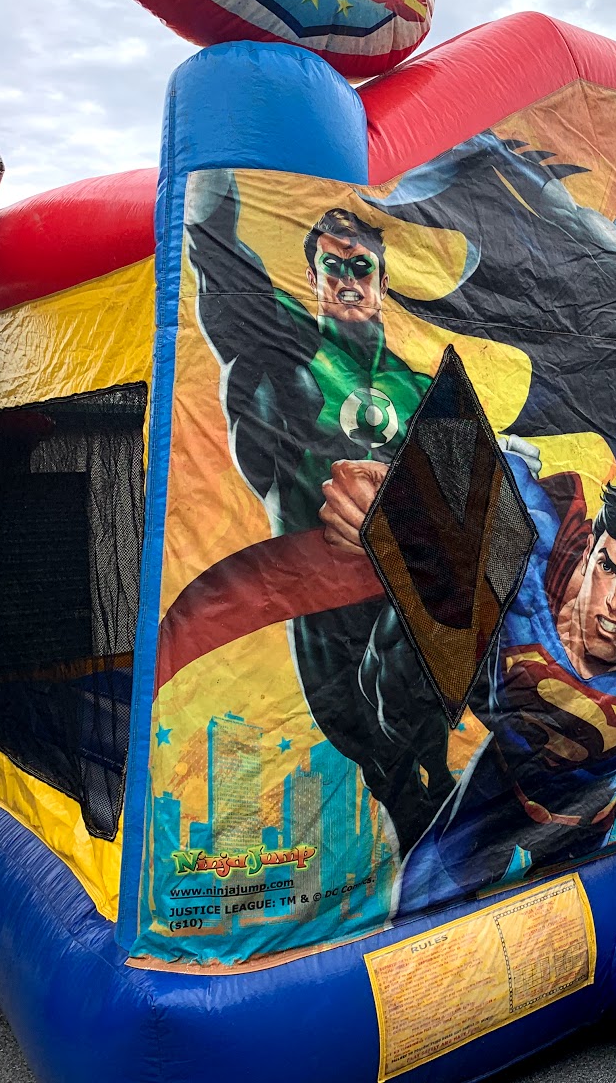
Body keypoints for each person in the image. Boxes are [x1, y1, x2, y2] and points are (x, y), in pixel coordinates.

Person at [320, 456, 616, 912]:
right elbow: (483, 472)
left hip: (589, 819)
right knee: (417, 899)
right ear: (587, 556)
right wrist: (397, 490)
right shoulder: (532, 568)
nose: (614, 600)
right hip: (498, 789)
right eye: (608, 567)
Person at [186, 171, 454, 853]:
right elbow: (226, 274)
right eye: (333, 268)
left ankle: (441, 804)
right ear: (313, 279)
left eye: (361, 268)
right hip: (321, 596)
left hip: (404, 601)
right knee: (380, 758)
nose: (348, 280)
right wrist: (215, 168)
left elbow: (463, 497)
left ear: (383, 281)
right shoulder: (290, 353)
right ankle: (414, 814)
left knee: (422, 743)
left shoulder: (420, 387)